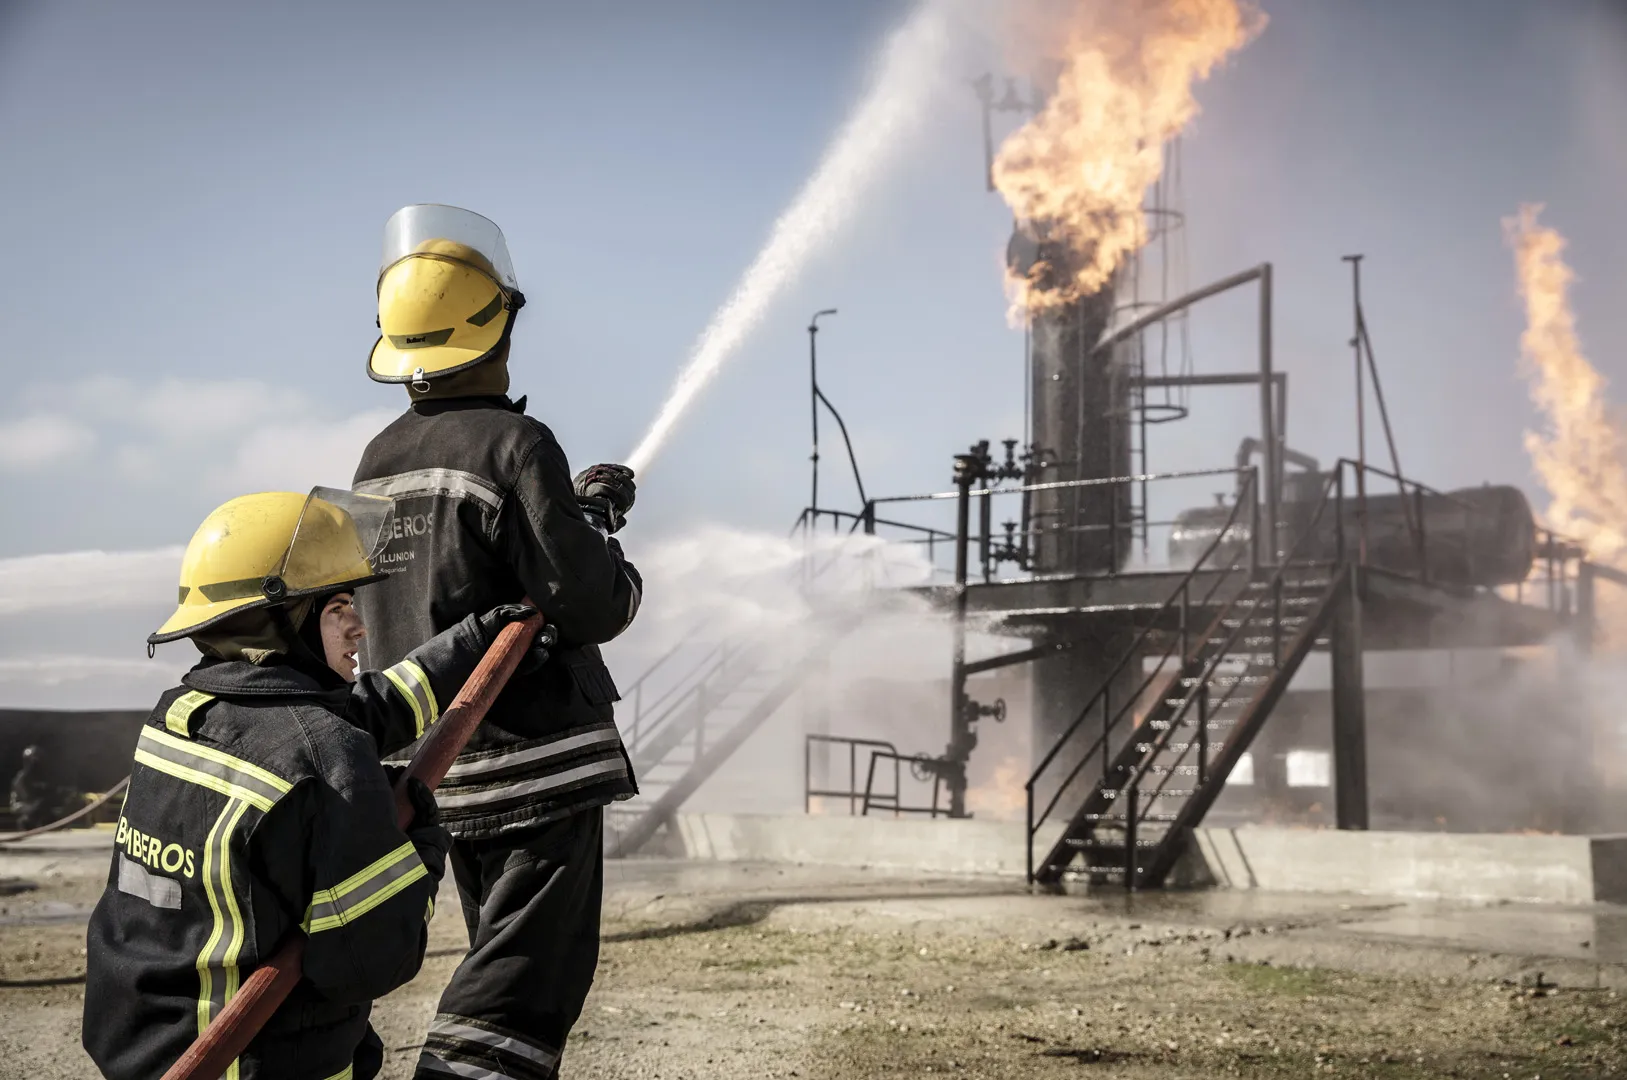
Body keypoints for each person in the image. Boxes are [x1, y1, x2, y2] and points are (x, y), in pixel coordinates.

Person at [82, 487, 548, 1080]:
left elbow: (367, 711)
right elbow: (372, 959)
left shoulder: (182, 715)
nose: (359, 628)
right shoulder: (325, 755)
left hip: (138, 1044)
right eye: (337, 609)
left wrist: (480, 637)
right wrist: (422, 848)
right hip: (249, 1061)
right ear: (283, 622)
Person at [354, 203, 643, 1080]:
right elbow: (586, 603)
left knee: (496, 948)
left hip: (437, 770)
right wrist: (606, 544)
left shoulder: (376, 460)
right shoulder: (517, 443)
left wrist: (575, 518)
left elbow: (454, 578)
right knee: (523, 978)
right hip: (536, 765)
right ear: (498, 328)